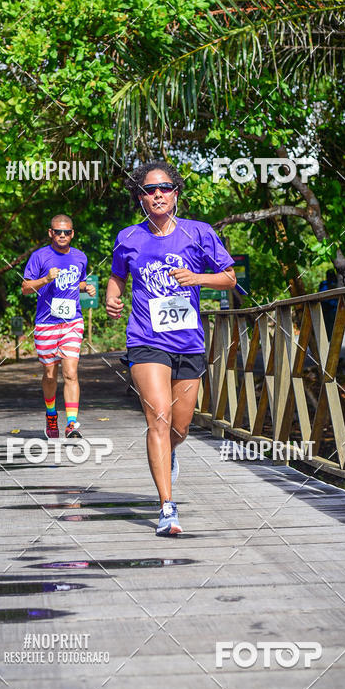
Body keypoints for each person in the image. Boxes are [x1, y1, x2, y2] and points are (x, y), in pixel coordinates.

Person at [106, 162, 236, 536]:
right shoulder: (128, 237)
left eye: (164, 187)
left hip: (188, 342)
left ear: (176, 193)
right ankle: (167, 507)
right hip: (146, 339)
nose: (157, 194)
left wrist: (197, 278)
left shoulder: (200, 233)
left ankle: (171, 450)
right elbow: (117, 276)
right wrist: (114, 299)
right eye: (149, 190)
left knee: (179, 426)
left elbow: (228, 278)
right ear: (141, 198)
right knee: (158, 419)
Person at [22, 214, 95, 439]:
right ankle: (51, 414)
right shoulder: (39, 256)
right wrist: (45, 280)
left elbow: (76, 282)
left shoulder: (80, 257)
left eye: (66, 232)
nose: (62, 235)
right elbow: (25, 288)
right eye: (57, 232)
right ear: (50, 233)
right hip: (46, 323)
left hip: (72, 321)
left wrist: (86, 288)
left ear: (72, 233)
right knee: (50, 375)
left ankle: (72, 424)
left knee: (71, 372)